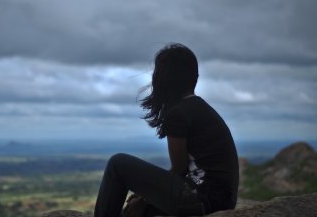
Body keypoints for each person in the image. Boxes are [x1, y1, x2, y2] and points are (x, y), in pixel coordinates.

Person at [94, 43, 239, 216]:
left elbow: (179, 170)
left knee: (117, 164)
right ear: (194, 77)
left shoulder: (178, 114)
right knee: (136, 212)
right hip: (218, 199)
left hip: (204, 198)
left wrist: (144, 197)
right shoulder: (198, 108)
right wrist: (145, 198)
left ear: (163, 79)